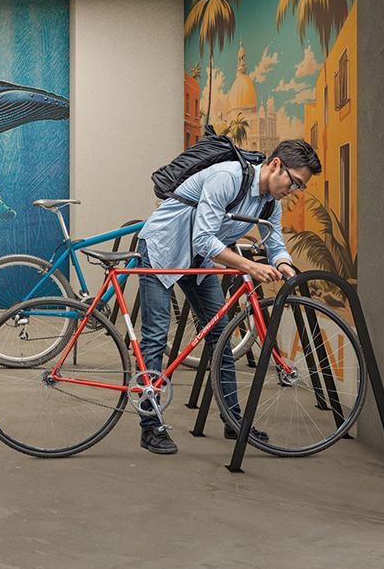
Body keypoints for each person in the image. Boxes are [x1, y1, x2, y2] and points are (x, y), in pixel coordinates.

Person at [133, 138, 321, 455]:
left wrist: (285, 265)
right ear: (276, 165)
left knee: (220, 336)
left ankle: (233, 421)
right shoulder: (228, 177)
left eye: (300, 187)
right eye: (294, 182)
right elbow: (204, 238)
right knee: (155, 335)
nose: (294, 191)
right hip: (163, 249)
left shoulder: (270, 203)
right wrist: (249, 266)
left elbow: (275, 243)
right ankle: (151, 426)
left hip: (199, 261)